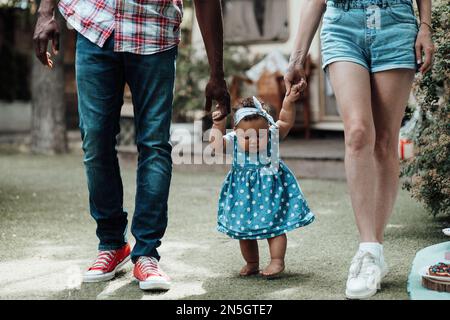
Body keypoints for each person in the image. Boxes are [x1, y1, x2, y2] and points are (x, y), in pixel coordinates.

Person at [33, 0, 230, 291]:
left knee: (154, 146)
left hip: (154, 32)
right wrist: (45, 11)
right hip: (95, 26)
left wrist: (217, 73)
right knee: (95, 141)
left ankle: (147, 253)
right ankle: (112, 244)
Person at [284, 0, 434, 298]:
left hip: (396, 22)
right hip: (342, 24)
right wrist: (297, 55)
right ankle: (367, 248)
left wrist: (425, 26)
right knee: (357, 132)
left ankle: (374, 249)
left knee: (384, 141)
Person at [209, 91, 315, 278]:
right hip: (242, 194)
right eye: (247, 137)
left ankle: (277, 261)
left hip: (271, 192)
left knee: (275, 227)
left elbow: (285, 121)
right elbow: (216, 144)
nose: (254, 141)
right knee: (244, 231)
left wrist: (288, 101)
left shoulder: (273, 136)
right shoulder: (233, 140)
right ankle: (252, 263)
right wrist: (218, 124)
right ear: (235, 132)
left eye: (260, 135)